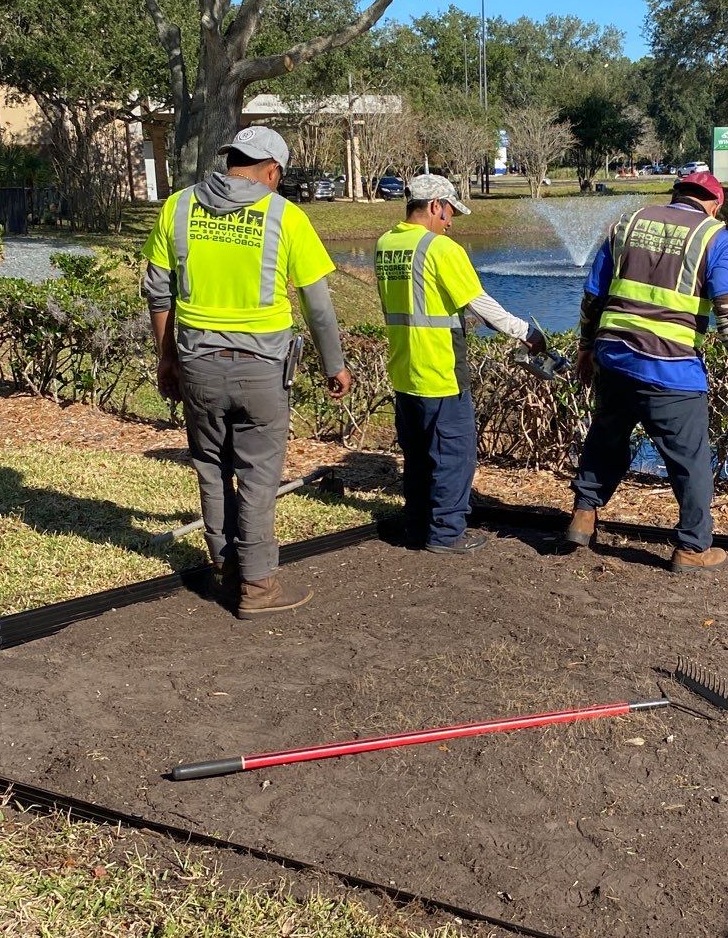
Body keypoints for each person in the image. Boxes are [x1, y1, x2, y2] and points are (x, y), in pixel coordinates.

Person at [142, 124, 352, 616]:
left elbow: (157, 291)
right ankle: (258, 588)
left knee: (212, 468)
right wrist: (334, 365)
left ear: (230, 157)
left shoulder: (177, 207)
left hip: (197, 366)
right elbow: (318, 306)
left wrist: (167, 357)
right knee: (257, 477)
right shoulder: (285, 216)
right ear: (273, 171)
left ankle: (227, 568)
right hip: (262, 370)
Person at [561, 170, 728, 572]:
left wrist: (586, 348)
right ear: (716, 204)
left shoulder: (627, 223)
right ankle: (691, 548)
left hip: (614, 357)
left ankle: (583, 515)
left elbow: (593, 295)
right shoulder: (715, 237)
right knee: (690, 461)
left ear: (675, 195)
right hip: (671, 370)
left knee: (606, 438)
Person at [374, 173, 543, 552]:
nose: (451, 222)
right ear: (435, 205)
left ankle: (417, 527)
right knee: (454, 454)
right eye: (449, 212)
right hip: (441, 370)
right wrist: (527, 334)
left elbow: (415, 303)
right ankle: (447, 533)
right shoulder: (441, 249)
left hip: (404, 369)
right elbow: (480, 302)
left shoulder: (386, 244)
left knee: (417, 456)